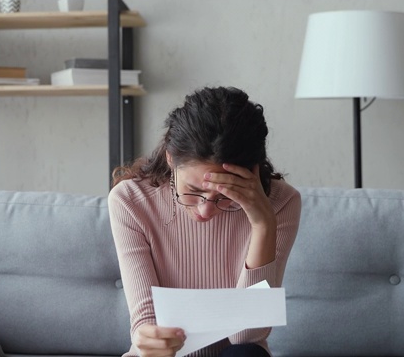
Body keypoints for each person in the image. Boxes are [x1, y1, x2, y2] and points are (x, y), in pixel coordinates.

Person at [108, 86, 301, 357]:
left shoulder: (281, 203)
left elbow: (248, 335)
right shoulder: (131, 200)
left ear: (252, 174)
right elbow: (146, 326)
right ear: (170, 159)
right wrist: (147, 337)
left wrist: (262, 224)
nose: (205, 211)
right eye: (193, 191)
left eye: (225, 195)